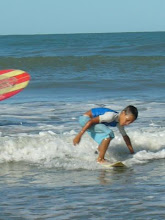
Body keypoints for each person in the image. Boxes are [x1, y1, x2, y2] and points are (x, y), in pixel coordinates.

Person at [73, 105, 138, 163]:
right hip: (86, 119)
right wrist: (79, 136)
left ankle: (97, 153)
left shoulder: (119, 122)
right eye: (127, 120)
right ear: (123, 113)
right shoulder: (111, 116)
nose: (127, 123)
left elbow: (125, 137)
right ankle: (100, 159)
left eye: (130, 122)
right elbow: (91, 121)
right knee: (108, 134)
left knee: (106, 136)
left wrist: (132, 152)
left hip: (90, 123)